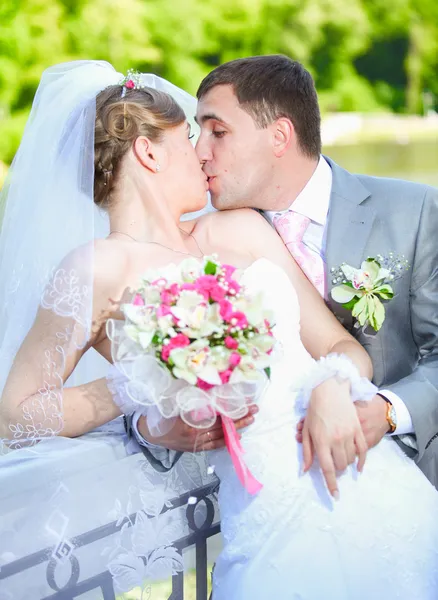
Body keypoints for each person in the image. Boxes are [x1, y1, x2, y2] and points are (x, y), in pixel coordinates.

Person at [0, 60, 437, 600]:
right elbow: (16, 414)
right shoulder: (96, 270)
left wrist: (331, 384)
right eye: (189, 135)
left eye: (212, 132)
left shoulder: (241, 229)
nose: (203, 151)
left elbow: (341, 345)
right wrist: (131, 392)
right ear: (148, 152)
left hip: (372, 483)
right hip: (268, 518)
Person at [135, 54, 438, 490]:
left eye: (217, 132)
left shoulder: (415, 212)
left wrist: (388, 412)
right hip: (279, 494)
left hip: (413, 485)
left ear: (279, 136)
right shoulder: (209, 243)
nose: (200, 152)